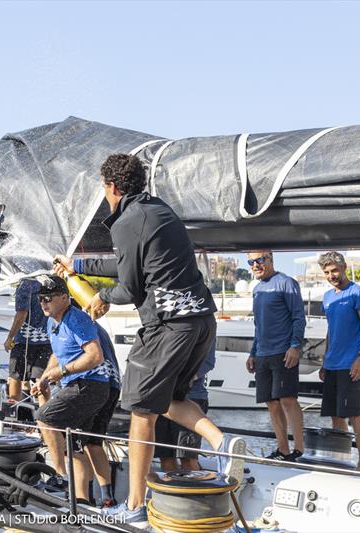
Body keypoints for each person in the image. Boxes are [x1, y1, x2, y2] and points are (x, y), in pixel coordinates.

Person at [59, 153, 244, 523]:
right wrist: (77, 265)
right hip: (200, 320)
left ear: (111, 187)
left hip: (168, 324)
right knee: (170, 399)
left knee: (141, 412)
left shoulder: (125, 221)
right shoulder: (158, 210)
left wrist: (101, 298)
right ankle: (223, 444)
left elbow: (128, 286)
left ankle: (135, 508)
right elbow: (133, 263)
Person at [31, 275, 120, 507]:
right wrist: (45, 377)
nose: (43, 302)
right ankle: (97, 498)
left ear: (65, 297)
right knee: (83, 443)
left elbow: (95, 356)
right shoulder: (53, 322)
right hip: (96, 385)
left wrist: (60, 372)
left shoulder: (77, 319)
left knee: (44, 417)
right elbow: (57, 355)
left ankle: (59, 477)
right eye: (41, 298)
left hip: (94, 384)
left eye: (48, 298)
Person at [247, 250, 306, 461]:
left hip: (283, 352)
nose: (255, 265)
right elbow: (258, 325)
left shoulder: (286, 283)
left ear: (270, 259)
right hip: (262, 354)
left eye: (259, 260)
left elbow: (299, 317)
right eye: (251, 262)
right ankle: (283, 449)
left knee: (287, 400)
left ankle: (299, 449)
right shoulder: (256, 289)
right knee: (271, 403)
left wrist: (295, 346)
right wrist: (253, 352)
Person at [318, 251, 360, 472]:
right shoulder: (328, 297)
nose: (331, 275)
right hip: (332, 364)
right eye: (327, 272)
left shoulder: (358, 293)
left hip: (352, 364)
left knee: (355, 415)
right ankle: (341, 461)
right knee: (336, 415)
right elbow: (331, 331)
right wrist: (325, 360)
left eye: (334, 270)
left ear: (343, 268)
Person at [154, 343, 216, 472]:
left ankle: (195, 490)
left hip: (191, 397)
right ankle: (170, 490)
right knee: (165, 456)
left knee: (187, 457)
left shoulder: (203, 324)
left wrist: (183, 379)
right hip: (162, 398)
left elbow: (208, 362)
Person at [4, 278, 52, 401]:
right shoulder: (49, 282)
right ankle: (45, 415)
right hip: (46, 341)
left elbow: (21, 314)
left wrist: (10, 337)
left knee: (16, 376)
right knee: (42, 380)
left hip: (23, 340)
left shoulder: (25, 285)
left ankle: (14, 412)